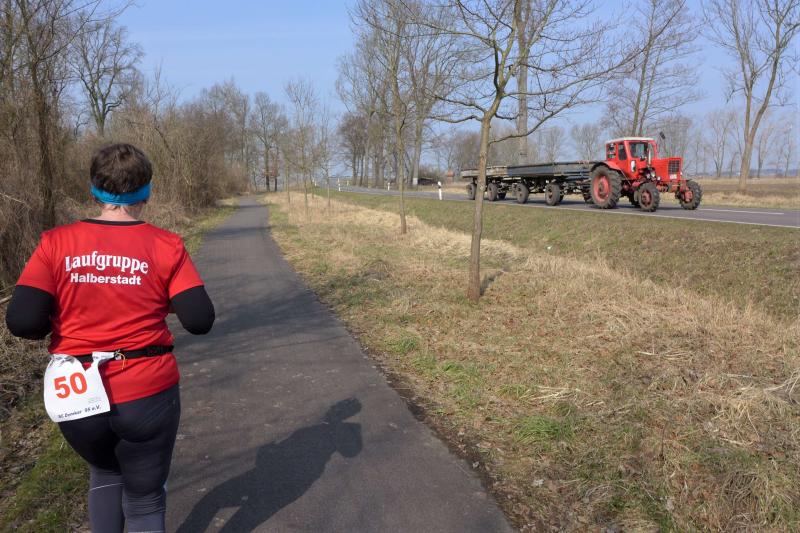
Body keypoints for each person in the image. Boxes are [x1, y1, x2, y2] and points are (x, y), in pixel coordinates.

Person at [5, 143, 215, 532]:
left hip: (78, 389)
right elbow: (200, 319)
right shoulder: (166, 245)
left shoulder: (55, 243)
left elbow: (21, 321)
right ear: (146, 191)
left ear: (94, 189)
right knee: (145, 497)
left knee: (104, 473)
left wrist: (61, 319)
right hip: (147, 392)